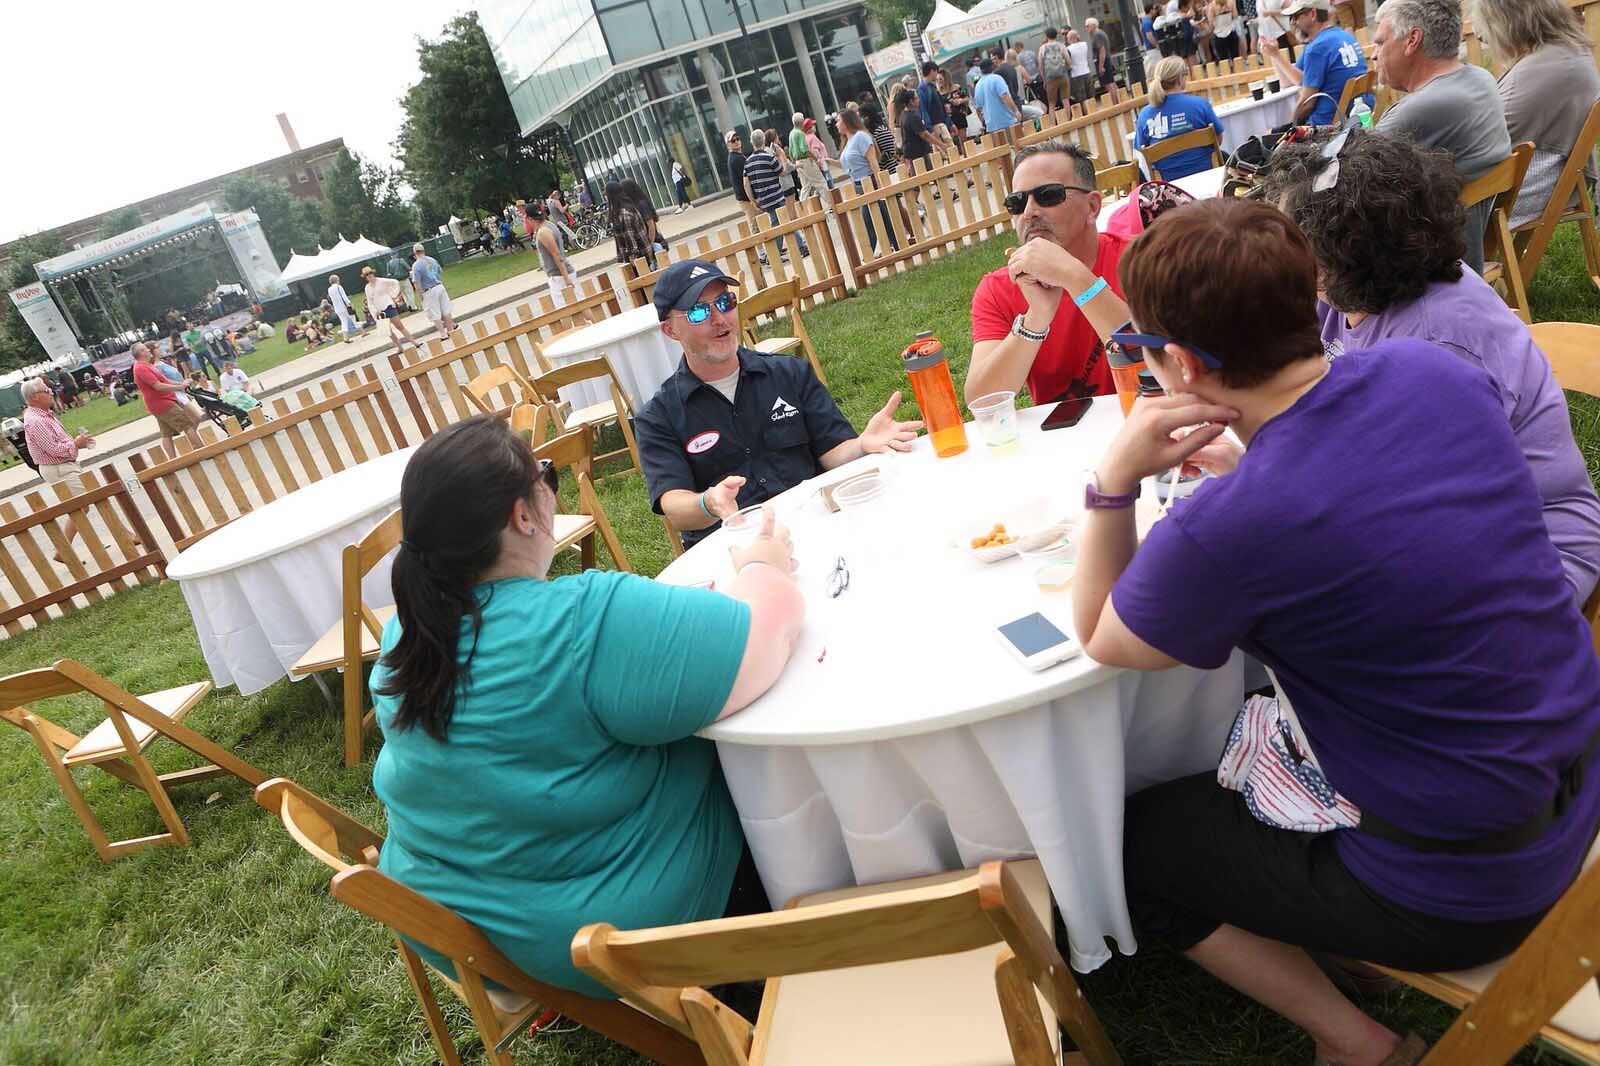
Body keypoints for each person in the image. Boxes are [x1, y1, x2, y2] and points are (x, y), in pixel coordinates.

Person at [1074, 194, 1600, 1066]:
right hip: (1576, 788)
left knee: (1137, 847)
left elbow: (1102, 633)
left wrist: (1113, 482)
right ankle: (1351, 964)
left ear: (1178, 363)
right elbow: (1381, 506)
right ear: (1306, 296)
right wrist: (1254, 462)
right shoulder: (1430, 371)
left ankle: (1359, 1043)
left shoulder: (1230, 529)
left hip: (1466, 888)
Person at [370, 413, 805, 999]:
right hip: (626, 939)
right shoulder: (582, 618)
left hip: (475, 930)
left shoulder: (405, 634)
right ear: (522, 515)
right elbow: (765, 637)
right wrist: (763, 564)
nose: (551, 488)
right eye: (545, 476)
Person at [1263, 130, 1600, 604]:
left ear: (1346, 256)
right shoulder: (1353, 295)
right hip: (1439, 525)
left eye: (1293, 243)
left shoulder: (1436, 347)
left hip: (1527, 562)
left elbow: (1429, 512)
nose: (1281, 257)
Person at [634, 260, 923, 549]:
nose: (720, 318)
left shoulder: (790, 373)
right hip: (734, 547)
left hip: (816, 527)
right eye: (698, 312)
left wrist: (861, 445)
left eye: (726, 301)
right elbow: (674, 506)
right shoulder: (658, 417)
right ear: (670, 331)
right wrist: (709, 502)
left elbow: (831, 452)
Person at [968, 140, 1130, 405]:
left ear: (1092, 207)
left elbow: (1162, 363)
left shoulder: (1139, 258)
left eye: (1048, 195)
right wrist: (1036, 317)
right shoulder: (998, 289)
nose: (1029, 212)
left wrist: (1076, 279)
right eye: (1017, 203)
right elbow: (982, 401)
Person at [1370, 0, 1510, 276]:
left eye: (1380, 42)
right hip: (1466, 244)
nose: (1374, 55)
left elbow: (1348, 179)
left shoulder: (1416, 111)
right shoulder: (1480, 79)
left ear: (1412, 40)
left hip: (1427, 264)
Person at [1472, 0, 1600, 229]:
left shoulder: (1544, 67)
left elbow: (1482, 143)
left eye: (1489, 27)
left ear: (1510, 22)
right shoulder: (1567, 52)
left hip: (1514, 196)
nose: (1484, 39)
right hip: (1546, 181)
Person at [1261, 0, 1369, 126]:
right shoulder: (1345, 36)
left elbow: (1307, 104)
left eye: (1295, 16)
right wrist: (1275, 55)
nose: (1292, 22)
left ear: (1313, 14)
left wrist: (1291, 127)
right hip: (1358, 116)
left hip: (1328, 126)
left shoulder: (1317, 48)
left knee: (1266, 137)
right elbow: (1293, 81)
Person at [21, 376, 94, 553]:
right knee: (90, 500)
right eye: (46, 390)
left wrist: (76, 444)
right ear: (35, 397)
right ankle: (128, 536)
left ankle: (62, 550)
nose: (51, 392)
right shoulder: (36, 421)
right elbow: (54, 450)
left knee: (81, 506)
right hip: (58, 468)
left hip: (61, 467)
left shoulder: (42, 415)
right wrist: (76, 444)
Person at [1135, 57, 1227, 178]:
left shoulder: (1145, 115)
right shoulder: (1199, 104)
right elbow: (1218, 140)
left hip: (1169, 186)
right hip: (1207, 175)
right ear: (1180, 78)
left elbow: (1140, 156)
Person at [838, 107, 900, 253]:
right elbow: (845, 164)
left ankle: (869, 252)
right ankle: (896, 243)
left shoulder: (861, 137)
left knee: (869, 220)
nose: (836, 124)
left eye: (838, 121)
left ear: (847, 121)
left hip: (869, 182)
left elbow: (872, 161)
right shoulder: (848, 141)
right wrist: (827, 161)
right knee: (882, 217)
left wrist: (879, 183)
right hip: (859, 185)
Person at [132, 341, 203, 451]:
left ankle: (173, 461)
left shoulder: (147, 365)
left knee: (167, 434)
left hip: (162, 402)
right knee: (187, 424)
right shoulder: (141, 368)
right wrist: (180, 387)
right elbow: (158, 386)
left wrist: (182, 384)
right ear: (141, 353)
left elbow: (165, 380)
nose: (148, 350)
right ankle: (201, 450)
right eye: (145, 349)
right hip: (162, 403)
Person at [361, 265, 418, 350]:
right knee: (388, 331)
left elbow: (395, 282)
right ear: (365, 277)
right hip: (379, 311)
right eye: (366, 275)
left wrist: (393, 294)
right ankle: (399, 347)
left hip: (388, 306)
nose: (369, 276)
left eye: (370, 273)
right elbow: (370, 302)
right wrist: (374, 313)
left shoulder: (382, 281)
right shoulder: (367, 287)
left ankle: (414, 342)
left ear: (373, 273)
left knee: (399, 326)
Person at [410, 242, 457, 336]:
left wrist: (421, 296)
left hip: (429, 290)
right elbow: (439, 272)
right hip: (439, 286)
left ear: (415, 253)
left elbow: (417, 282)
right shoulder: (432, 260)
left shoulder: (416, 265)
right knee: (446, 310)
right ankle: (451, 329)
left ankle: (443, 334)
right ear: (423, 250)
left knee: (434, 313)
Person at [606, 178, 654, 270]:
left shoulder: (624, 213)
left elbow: (630, 235)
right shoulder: (626, 208)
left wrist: (633, 257)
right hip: (642, 253)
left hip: (640, 257)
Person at [974, 56, 1024, 134]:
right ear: (992, 66)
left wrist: (984, 123)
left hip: (991, 127)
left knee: (1001, 146)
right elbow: (1004, 96)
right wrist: (1016, 111)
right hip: (1007, 121)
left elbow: (978, 109)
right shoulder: (997, 79)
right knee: (1016, 144)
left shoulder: (978, 85)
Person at [726, 129, 761, 235]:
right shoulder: (736, 159)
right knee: (755, 223)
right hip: (746, 198)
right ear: (728, 144)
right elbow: (746, 181)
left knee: (758, 221)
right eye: (733, 140)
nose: (736, 141)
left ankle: (766, 248)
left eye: (737, 139)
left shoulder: (738, 156)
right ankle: (761, 251)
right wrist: (753, 198)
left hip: (746, 197)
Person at [620, 178, 666, 253]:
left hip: (653, 243)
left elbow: (651, 226)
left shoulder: (641, 204)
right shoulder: (632, 205)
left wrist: (650, 245)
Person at [917, 63, 955, 148]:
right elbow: (923, 110)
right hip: (936, 125)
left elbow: (941, 107)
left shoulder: (931, 87)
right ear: (932, 71)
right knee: (950, 149)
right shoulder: (923, 89)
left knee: (948, 151)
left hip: (940, 124)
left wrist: (950, 124)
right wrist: (930, 128)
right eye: (936, 72)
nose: (937, 75)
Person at [1087, 18, 1122, 101]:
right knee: (1111, 82)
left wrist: (1101, 66)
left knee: (1108, 84)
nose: (1086, 28)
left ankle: (1116, 103)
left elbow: (1102, 50)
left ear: (1093, 25)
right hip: (1105, 60)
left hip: (1103, 61)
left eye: (1087, 26)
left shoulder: (1097, 35)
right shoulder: (1100, 33)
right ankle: (1119, 101)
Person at [1040, 27, 1073, 113]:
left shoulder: (1042, 48)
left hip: (1050, 79)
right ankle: (1069, 120)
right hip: (1063, 76)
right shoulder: (1061, 46)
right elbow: (1068, 61)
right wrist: (1067, 69)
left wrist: (1044, 80)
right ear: (1056, 35)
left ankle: (1052, 123)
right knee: (1065, 100)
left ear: (1046, 36)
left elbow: (1041, 66)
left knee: (1051, 104)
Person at [801, 117, 835, 187]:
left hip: (814, 165)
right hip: (822, 164)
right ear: (810, 128)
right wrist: (821, 162)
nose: (815, 126)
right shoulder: (813, 138)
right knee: (830, 185)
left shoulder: (805, 138)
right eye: (813, 125)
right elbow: (815, 151)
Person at [327, 274, 359, 342]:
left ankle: (346, 338)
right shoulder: (339, 287)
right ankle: (363, 332)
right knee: (353, 318)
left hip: (337, 309)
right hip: (344, 307)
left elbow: (332, 299)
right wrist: (350, 304)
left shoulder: (329, 289)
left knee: (344, 322)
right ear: (337, 280)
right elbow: (344, 297)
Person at [1066, 30, 1096, 103]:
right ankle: (1094, 110)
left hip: (1076, 75)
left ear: (1070, 39)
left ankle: (1086, 113)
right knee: (1091, 95)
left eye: (1067, 38)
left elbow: (1068, 63)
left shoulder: (1068, 49)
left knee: (1081, 98)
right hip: (1087, 72)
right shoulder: (1084, 44)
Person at [1141, 3, 1165, 79]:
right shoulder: (1147, 22)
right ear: (1151, 10)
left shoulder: (1147, 21)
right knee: (1158, 70)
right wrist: (1157, 45)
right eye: (1154, 9)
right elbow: (1149, 36)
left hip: (1152, 49)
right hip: (1153, 49)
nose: (1155, 10)